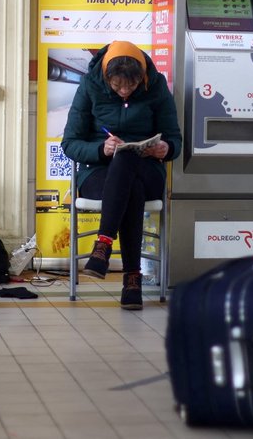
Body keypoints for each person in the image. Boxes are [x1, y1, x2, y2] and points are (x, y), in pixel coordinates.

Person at [61, 41, 182, 310]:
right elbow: (70, 143)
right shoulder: (90, 86)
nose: (125, 92)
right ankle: (132, 280)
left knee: (128, 159)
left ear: (142, 78)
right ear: (107, 79)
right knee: (130, 187)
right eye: (118, 87)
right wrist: (101, 149)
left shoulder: (157, 86)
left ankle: (103, 245)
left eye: (131, 86)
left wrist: (166, 148)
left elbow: (175, 139)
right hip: (98, 174)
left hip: (148, 169)